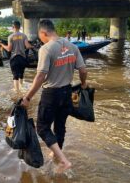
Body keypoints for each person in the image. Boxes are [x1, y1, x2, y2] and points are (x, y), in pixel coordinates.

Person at [21, 19, 87, 173]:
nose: (41, 39)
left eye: (40, 36)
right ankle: (56, 155)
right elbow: (83, 70)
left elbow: (40, 76)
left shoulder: (46, 49)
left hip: (51, 94)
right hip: (67, 92)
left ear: (43, 33)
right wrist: (83, 84)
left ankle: (64, 161)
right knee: (59, 126)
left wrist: (28, 97)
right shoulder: (72, 46)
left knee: (43, 128)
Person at [0, 21, 33, 91]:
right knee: (21, 75)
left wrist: (1, 44)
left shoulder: (10, 37)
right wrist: (32, 46)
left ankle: (17, 91)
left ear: (13, 27)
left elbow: (9, 49)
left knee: (15, 76)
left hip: (14, 58)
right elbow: (27, 46)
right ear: (20, 27)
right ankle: (22, 88)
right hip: (22, 58)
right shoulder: (24, 36)